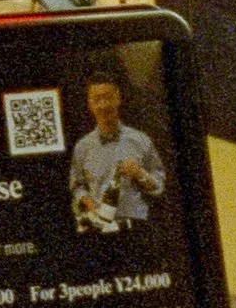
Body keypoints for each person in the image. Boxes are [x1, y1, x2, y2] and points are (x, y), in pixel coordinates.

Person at [70, 75, 165, 234]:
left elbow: (159, 186)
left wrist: (140, 174)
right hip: (99, 230)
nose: (103, 105)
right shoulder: (82, 147)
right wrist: (92, 206)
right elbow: (77, 187)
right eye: (97, 99)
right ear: (89, 104)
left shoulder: (141, 140)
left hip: (137, 230)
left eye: (108, 97)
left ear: (118, 99)